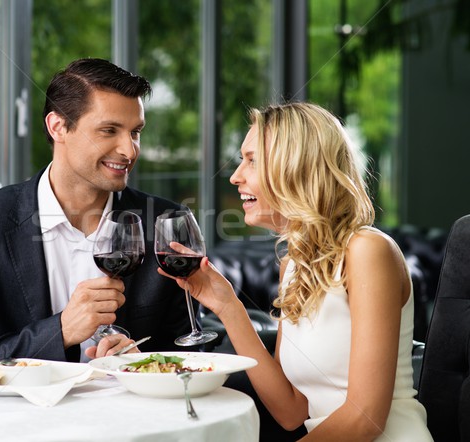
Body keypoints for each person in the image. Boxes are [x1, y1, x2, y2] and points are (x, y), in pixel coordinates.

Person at [159, 102, 433, 441]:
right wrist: (227, 304)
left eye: (252, 160)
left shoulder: (367, 251)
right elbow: (291, 411)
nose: (235, 176)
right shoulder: (295, 263)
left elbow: (366, 420)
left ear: (296, 166)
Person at [0, 58, 193, 378]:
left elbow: (192, 349)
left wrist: (144, 363)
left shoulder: (167, 222)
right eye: (109, 130)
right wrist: (61, 331)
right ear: (58, 127)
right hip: (19, 421)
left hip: (130, 419)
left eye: (136, 132)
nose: (129, 150)